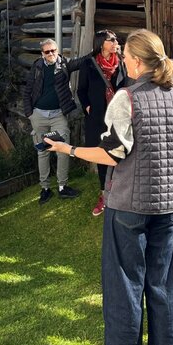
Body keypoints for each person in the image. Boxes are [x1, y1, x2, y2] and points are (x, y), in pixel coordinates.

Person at [45, 29, 173, 345]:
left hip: (127, 208)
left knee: (125, 293)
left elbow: (113, 155)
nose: (122, 59)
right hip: (169, 207)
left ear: (137, 62)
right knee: (163, 290)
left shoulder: (126, 99)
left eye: (126, 55)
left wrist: (70, 148)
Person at [23, 38, 83, 204]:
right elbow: (27, 91)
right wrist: (30, 114)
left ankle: (63, 187)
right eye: (47, 51)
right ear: (42, 53)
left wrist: (99, 50)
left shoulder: (64, 64)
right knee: (42, 152)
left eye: (53, 50)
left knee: (63, 150)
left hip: (58, 116)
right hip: (38, 116)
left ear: (58, 50)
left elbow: (81, 61)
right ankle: (45, 189)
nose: (51, 54)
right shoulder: (37, 67)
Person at [77, 29, 126, 216]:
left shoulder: (121, 62)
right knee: (101, 155)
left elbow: (126, 84)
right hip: (97, 118)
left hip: (118, 116)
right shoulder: (88, 64)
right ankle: (104, 194)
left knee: (119, 152)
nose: (115, 42)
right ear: (101, 43)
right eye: (110, 40)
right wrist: (88, 107)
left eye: (115, 40)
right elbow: (81, 90)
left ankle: (119, 192)